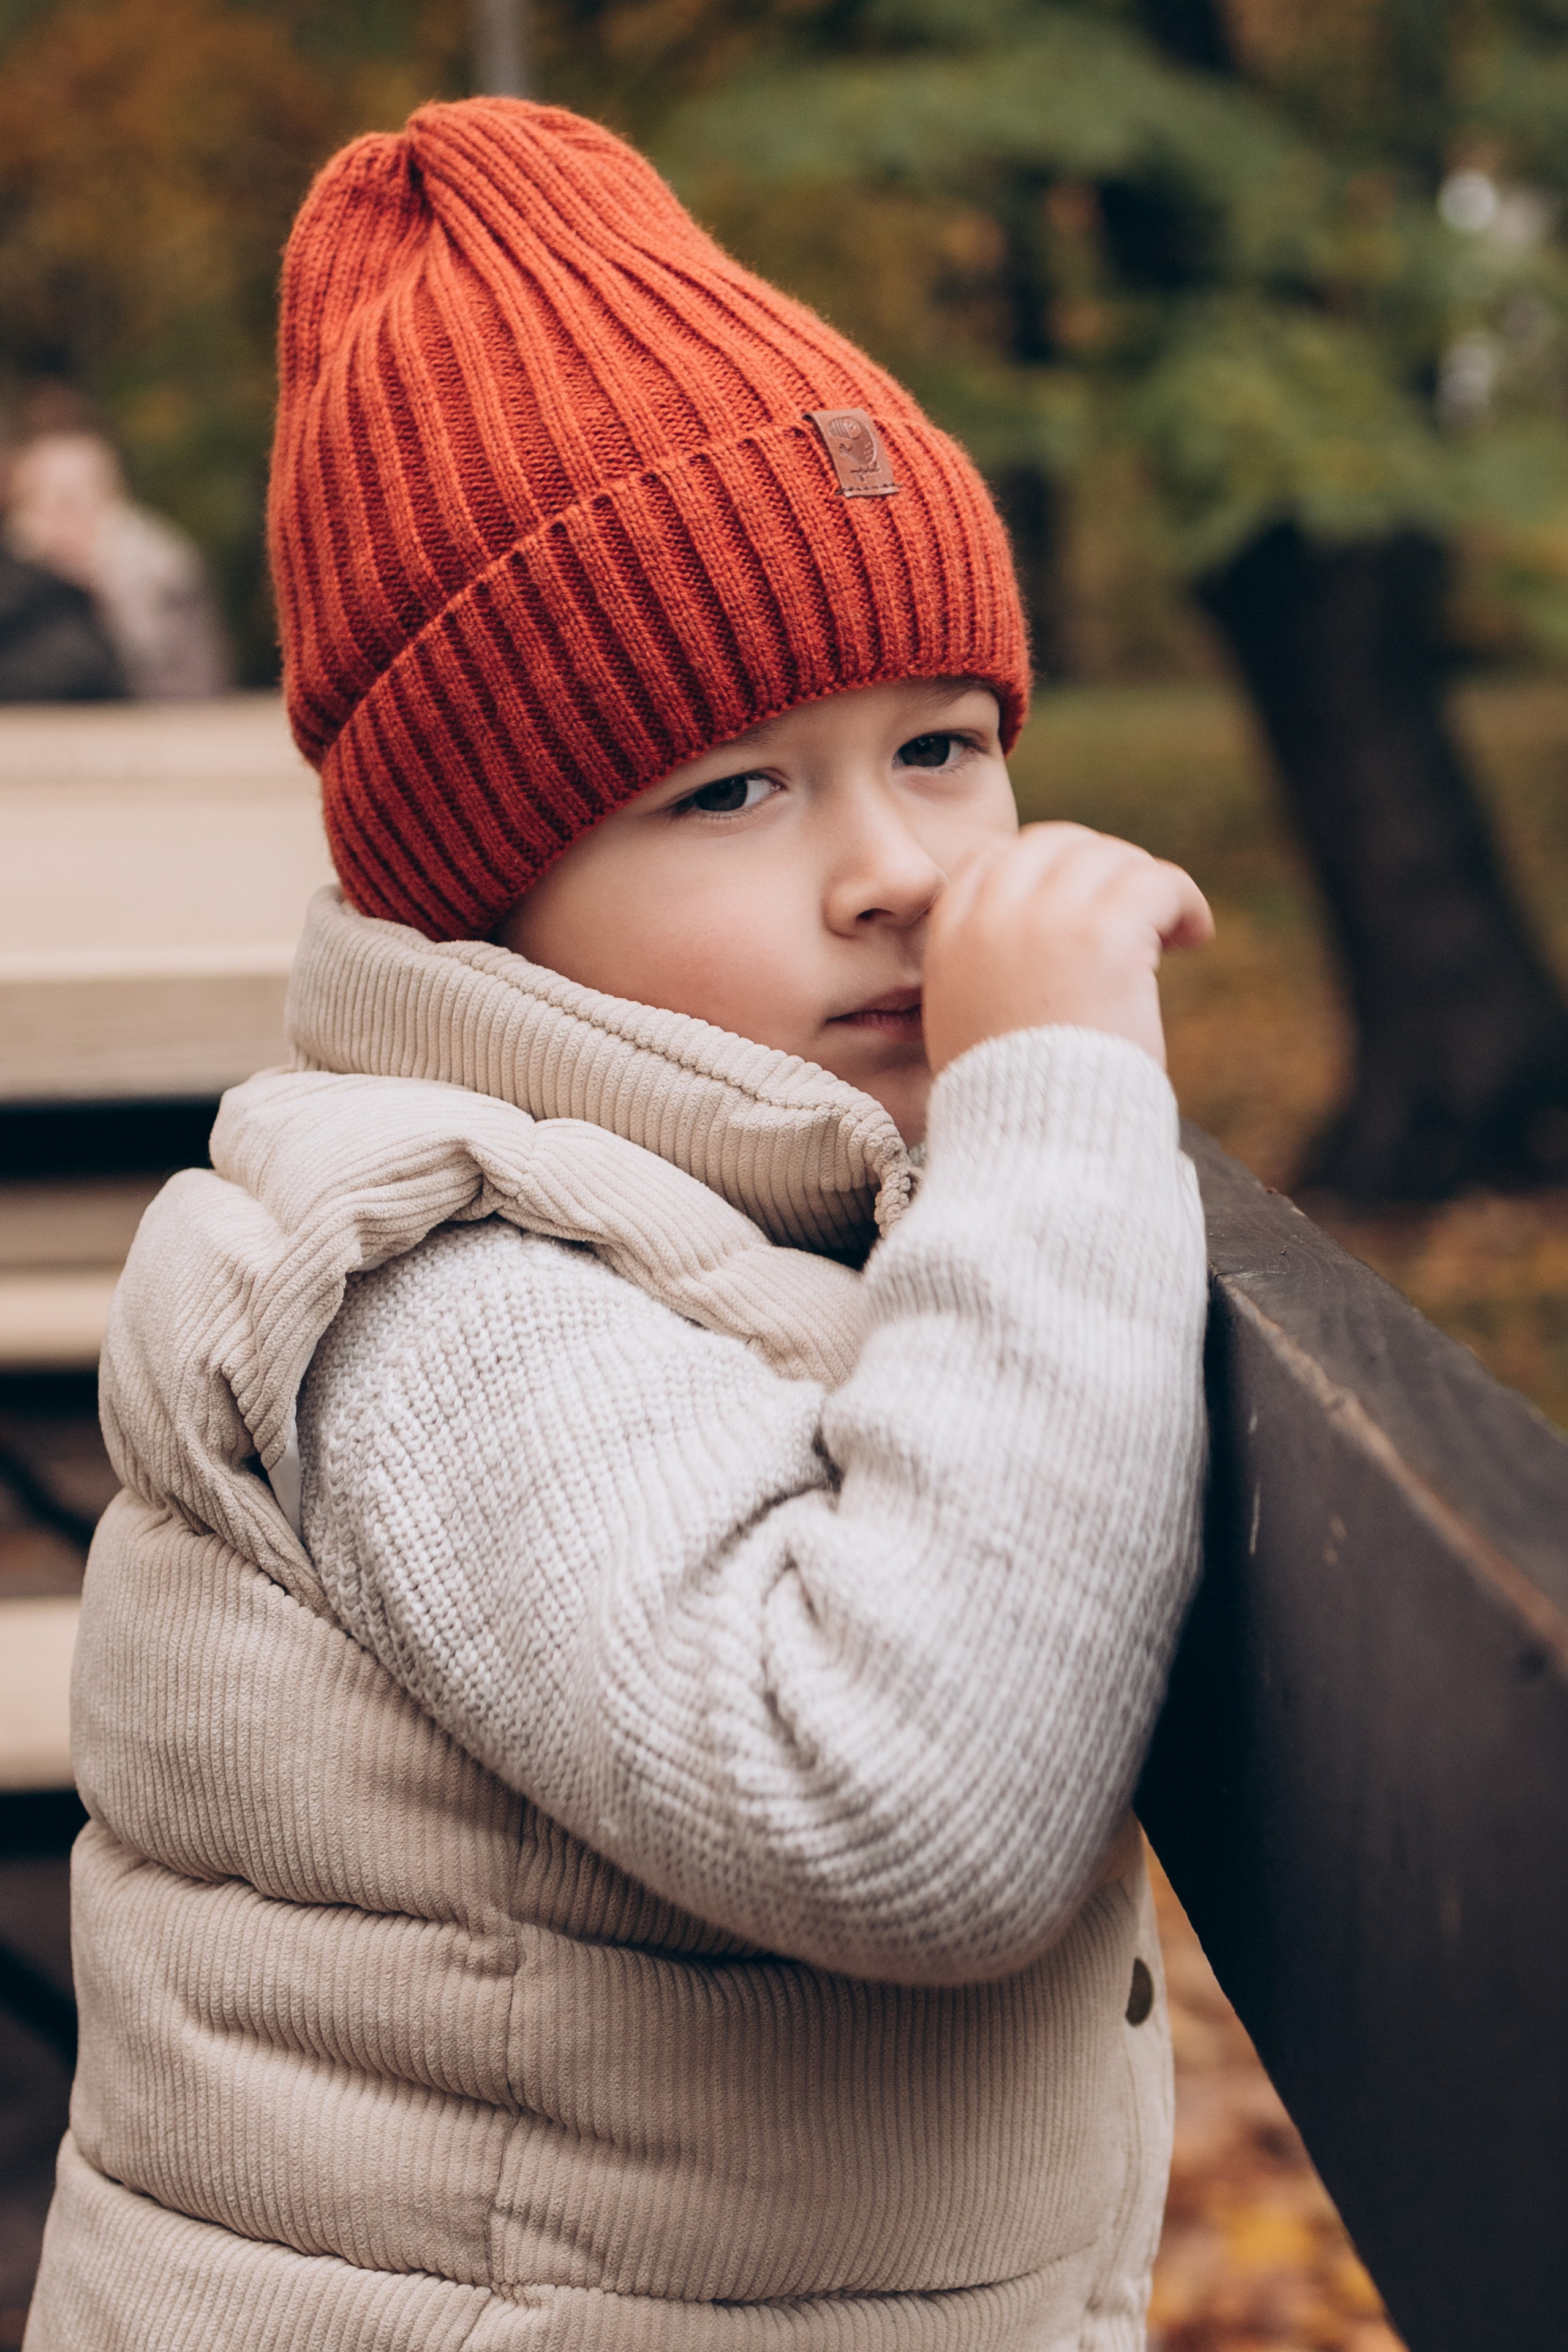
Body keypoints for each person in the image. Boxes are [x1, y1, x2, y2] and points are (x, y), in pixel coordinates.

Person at [24, 99, 1212, 2351]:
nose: (892, 867)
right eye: (732, 786)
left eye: (940, 745)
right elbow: (905, 1810)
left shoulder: (750, 1202)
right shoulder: (441, 1281)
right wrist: (1054, 1106)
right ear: (491, 883)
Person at [4, 426, 230, 699]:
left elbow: (184, 679)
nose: (62, 516)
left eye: (76, 498)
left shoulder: (160, 569)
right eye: (44, 498)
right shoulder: (18, 576)